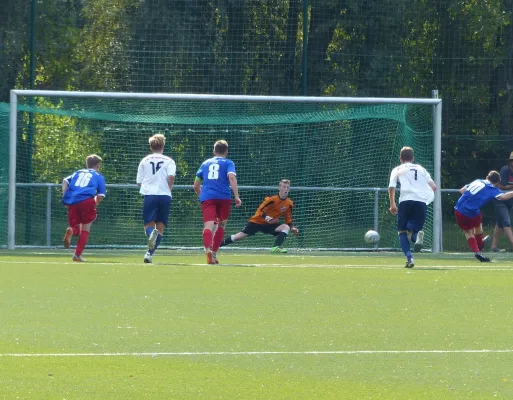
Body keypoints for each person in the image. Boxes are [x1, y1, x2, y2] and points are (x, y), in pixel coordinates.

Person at [194, 139, 241, 265]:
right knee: (221, 225)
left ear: (214, 151)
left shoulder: (205, 163)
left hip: (208, 197)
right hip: (224, 197)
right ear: (226, 152)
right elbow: (231, 177)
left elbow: (196, 185)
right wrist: (237, 196)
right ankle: (214, 253)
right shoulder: (229, 163)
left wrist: (202, 197)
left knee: (208, 225)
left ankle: (208, 249)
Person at [388, 146, 437, 268]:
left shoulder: (398, 169)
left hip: (405, 201)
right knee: (413, 231)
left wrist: (393, 204)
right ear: (413, 158)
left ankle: (410, 258)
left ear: (401, 158)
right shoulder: (421, 169)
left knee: (402, 231)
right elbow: (433, 186)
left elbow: (392, 187)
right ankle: (416, 236)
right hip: (420, 202)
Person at [220, 179, 299, 253]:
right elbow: (260, 210)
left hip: (269, 225)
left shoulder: (289, 203)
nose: (286, 189)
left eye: (287, 187)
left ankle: (275, 248)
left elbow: (288, 217)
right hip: (257, 222)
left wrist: (292, 227)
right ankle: (218, 244)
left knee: (286, 227)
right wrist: (268, 218)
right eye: (284, 187)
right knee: (239, 236)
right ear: (279, 188)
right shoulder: (271, 199)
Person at [454, 171, 513, 262]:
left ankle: (479, 247)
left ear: (487, 177)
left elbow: (462, 191)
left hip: (459, 209)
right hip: (472, 211)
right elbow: (503, 197)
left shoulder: (477, 181)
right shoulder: (491, 188)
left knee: (469, 231)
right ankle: (479, 248)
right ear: (497, 182)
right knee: (474, 229)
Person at [136, 133, 176, 264]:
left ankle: (150, 236)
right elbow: (171, 177)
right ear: (163, 146)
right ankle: (149, 254)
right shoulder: (169, 160)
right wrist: (168, 189)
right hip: (164, 196)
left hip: (150, 195)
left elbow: (139, 182)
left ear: (151, 147)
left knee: (148, 225)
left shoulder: (145, 160)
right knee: (160, 227)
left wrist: (147, 188)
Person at [62, 154, 106, 262]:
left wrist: (65, 197)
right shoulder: (98, 176)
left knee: (76, 228)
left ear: (87, 164)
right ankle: (77, 255)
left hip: (72, 200)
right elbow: (100, 196)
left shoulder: (78, 172)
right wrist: (93, 205)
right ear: (98, 165)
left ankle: (71, 230)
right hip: (87, 201)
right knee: (86, 228)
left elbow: (65, 181)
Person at [488, 151, 513, 252]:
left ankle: (493, 246)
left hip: (510, 199)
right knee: (506, 222)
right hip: (500, 199)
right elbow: (501, 186)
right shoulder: (505, 170)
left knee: (500, 222)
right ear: (510, 162)